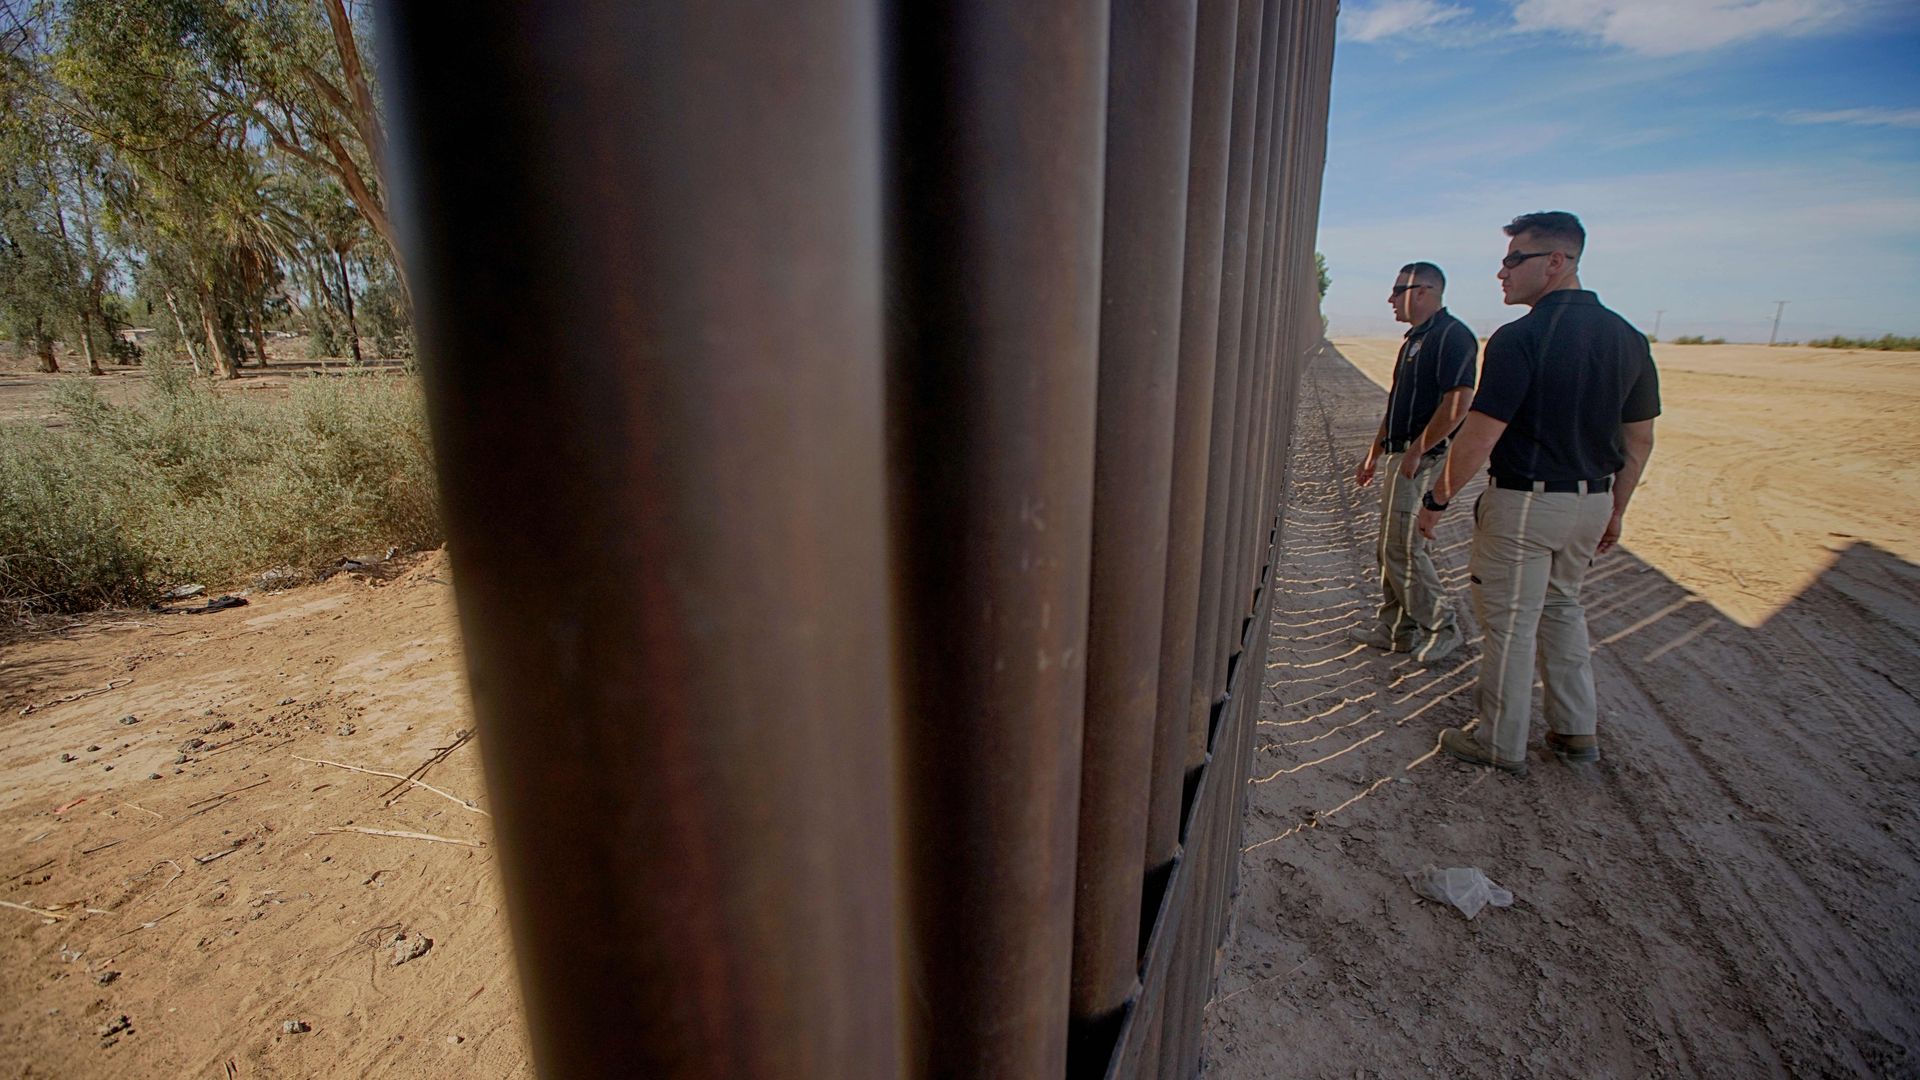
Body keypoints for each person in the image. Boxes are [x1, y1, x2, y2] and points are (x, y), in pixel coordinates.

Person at [1415, 211, 1659, 775]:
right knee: (1563, 608)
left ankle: (1498, 741)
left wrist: (1437, 499)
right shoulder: (1628, 337)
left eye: (1513, 260)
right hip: (1590, 501)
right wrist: (1615, 509)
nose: (1501, 273)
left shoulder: (1519, 338)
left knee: (1510, 622)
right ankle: (1575, 733)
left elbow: (1481, 432)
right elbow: (1639, 437)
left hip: (1526, 503)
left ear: (1556, 262)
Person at [1351, 262, 1476, 664]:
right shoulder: (1414, 341)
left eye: (1396, 289)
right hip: (1400, 452)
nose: (1390, 298)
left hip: (1421, 458)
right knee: (1390, 546)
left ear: (1422, 290)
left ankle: (1442, 626)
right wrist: (1375, 451)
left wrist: (1419, 449)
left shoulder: (1452, 336)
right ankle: (1396, 629)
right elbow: (1398, 402)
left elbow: (1458, 403)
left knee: (1405, 546)